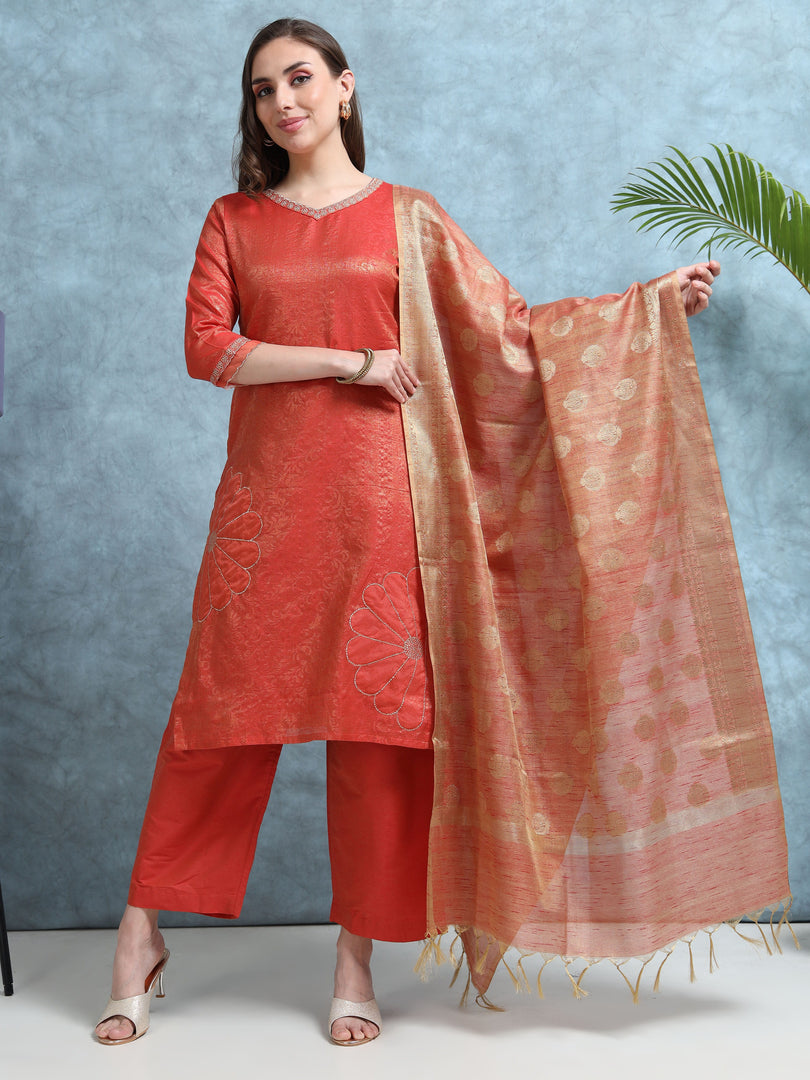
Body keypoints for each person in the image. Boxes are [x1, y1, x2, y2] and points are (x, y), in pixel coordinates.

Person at [95, 18, 789, 1048]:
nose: (282, 102)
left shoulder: (409, 220)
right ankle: (139, 935)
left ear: (344, 87)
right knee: (216, 722)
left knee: (379, 739)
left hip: (386, 513)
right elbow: (208, 350)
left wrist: (646, 310)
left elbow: (510, 335)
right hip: (265, 514)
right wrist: (352, 362)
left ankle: (355, 960)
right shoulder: (234, 220)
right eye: (262, 90)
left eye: (300, 79)